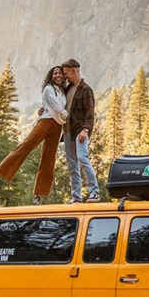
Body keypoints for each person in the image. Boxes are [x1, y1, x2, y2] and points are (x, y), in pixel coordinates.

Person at [0, 65, 68, 204]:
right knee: (24, 147)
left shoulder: (62, 92)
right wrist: (68, 116)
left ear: (63, 76)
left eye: (60, 73)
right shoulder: (48, 89)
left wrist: (62, 115)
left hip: (57, 127)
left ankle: (39, 195)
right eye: (55, 73)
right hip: (45, 122)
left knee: (49, 159)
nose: (58, 75)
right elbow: (58, 109)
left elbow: (60, 109)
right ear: (51, 76)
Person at [60, 58, 100, 203]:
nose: (65, 76)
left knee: (83, 159)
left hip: (80, 131)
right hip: (67, 131)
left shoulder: (86, 90)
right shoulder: (68, 89)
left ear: (74, 70)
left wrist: (86, 129)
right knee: (72, 164)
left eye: (66, 73)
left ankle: (94, 192)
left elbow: (90, 113)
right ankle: (76, 196)